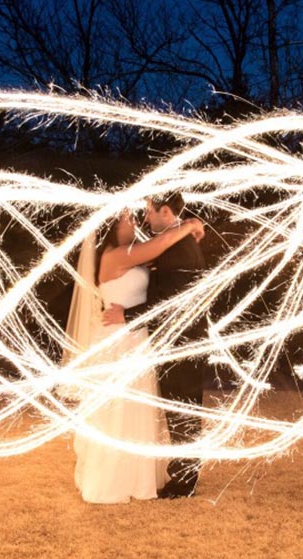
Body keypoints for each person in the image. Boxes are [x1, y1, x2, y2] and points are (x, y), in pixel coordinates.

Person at [66, 207, 205, 504]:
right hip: (119, 341)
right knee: (119, 411)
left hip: (137, 340)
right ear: (111, 229)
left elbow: (166, 261)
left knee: (137, 411)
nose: (135, 222)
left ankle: (139, 477)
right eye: (127, 219)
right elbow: (160, 245)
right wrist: (189, 224)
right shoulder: (115, 256)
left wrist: (187, 228)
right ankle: (113, 480)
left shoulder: (135, 253)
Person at [102, 192, 207, 498]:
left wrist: (128, 314)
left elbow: (168, 302)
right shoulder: (173, 243)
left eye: (148, 212)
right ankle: (181, 472)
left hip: (180, 339)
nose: (144, 219)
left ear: (164, 211)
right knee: (179, 408)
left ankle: (185, 479)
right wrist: (189, 225)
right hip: (174, 338)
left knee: (181, 409)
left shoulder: (177, 247)